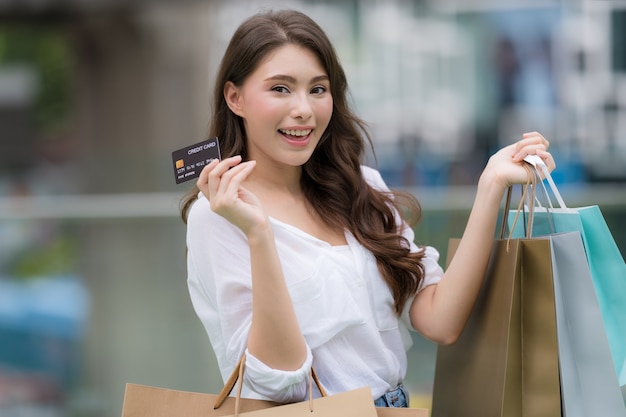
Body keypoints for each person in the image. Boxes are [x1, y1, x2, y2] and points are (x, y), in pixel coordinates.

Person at [180, 9, 555, 408]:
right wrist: (259, 235)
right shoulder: (218, 217)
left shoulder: (361, 187)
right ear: (235, 97)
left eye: (318, 89)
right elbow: (278, 383)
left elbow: (440, 320)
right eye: (280, 89)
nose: (304, 109)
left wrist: (490, 186)